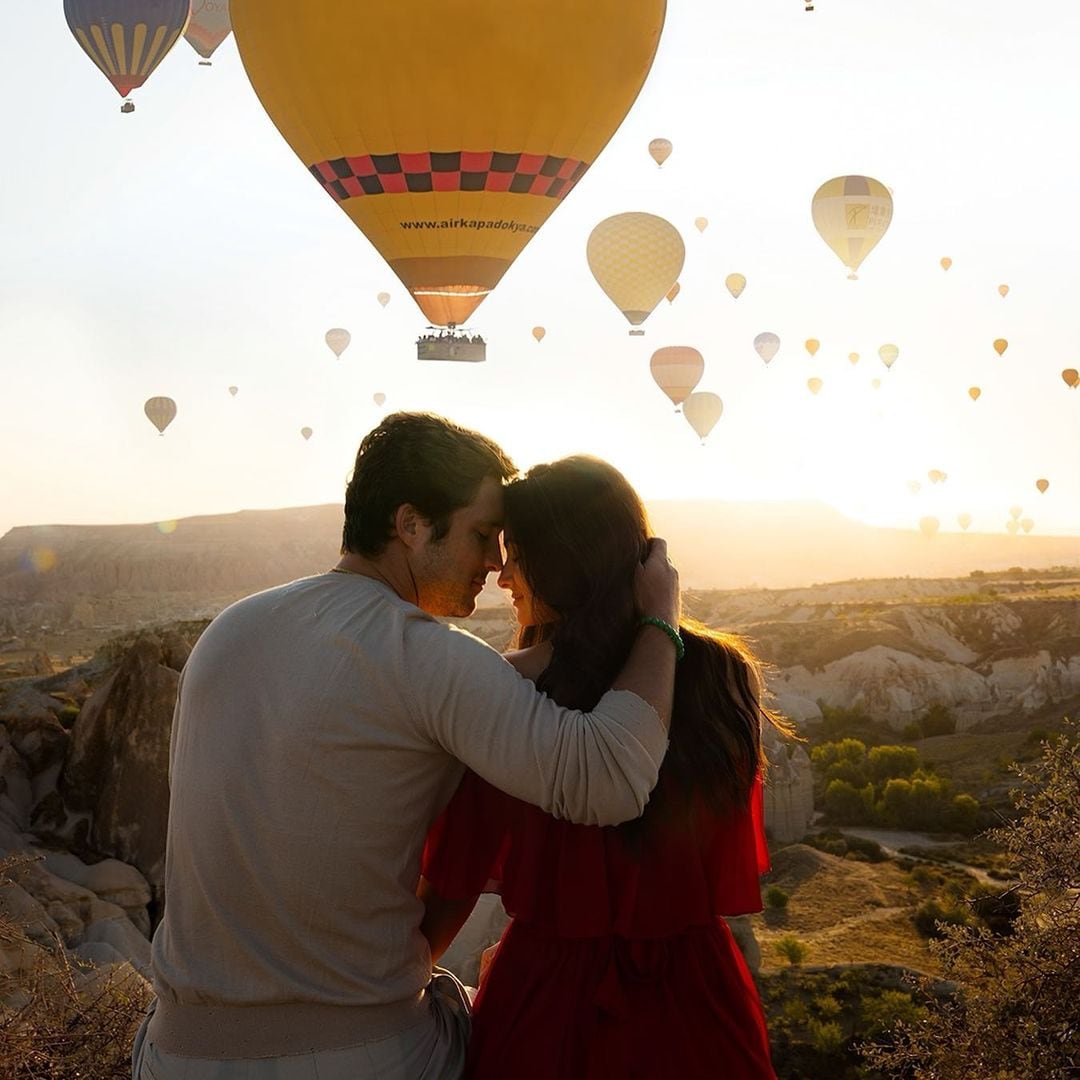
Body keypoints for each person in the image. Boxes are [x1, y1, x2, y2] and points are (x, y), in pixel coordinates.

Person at [133, 414, 683, 1080]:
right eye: (482, 535)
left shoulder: (230, 631)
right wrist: (659, 623)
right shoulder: (428, 655)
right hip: (359, 1055)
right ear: (411, 525)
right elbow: (610, 777)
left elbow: (365, 710)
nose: (494, 562)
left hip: (174, 1054)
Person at [420, 456, 784, 1079]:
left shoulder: (504, 688)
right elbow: (721, 855)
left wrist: (385, 985)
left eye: (518, 553)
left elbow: (455, 876)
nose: (503, 576)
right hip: (697, 998)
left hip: (549, 999)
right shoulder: (723, 675)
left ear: (563, 561)